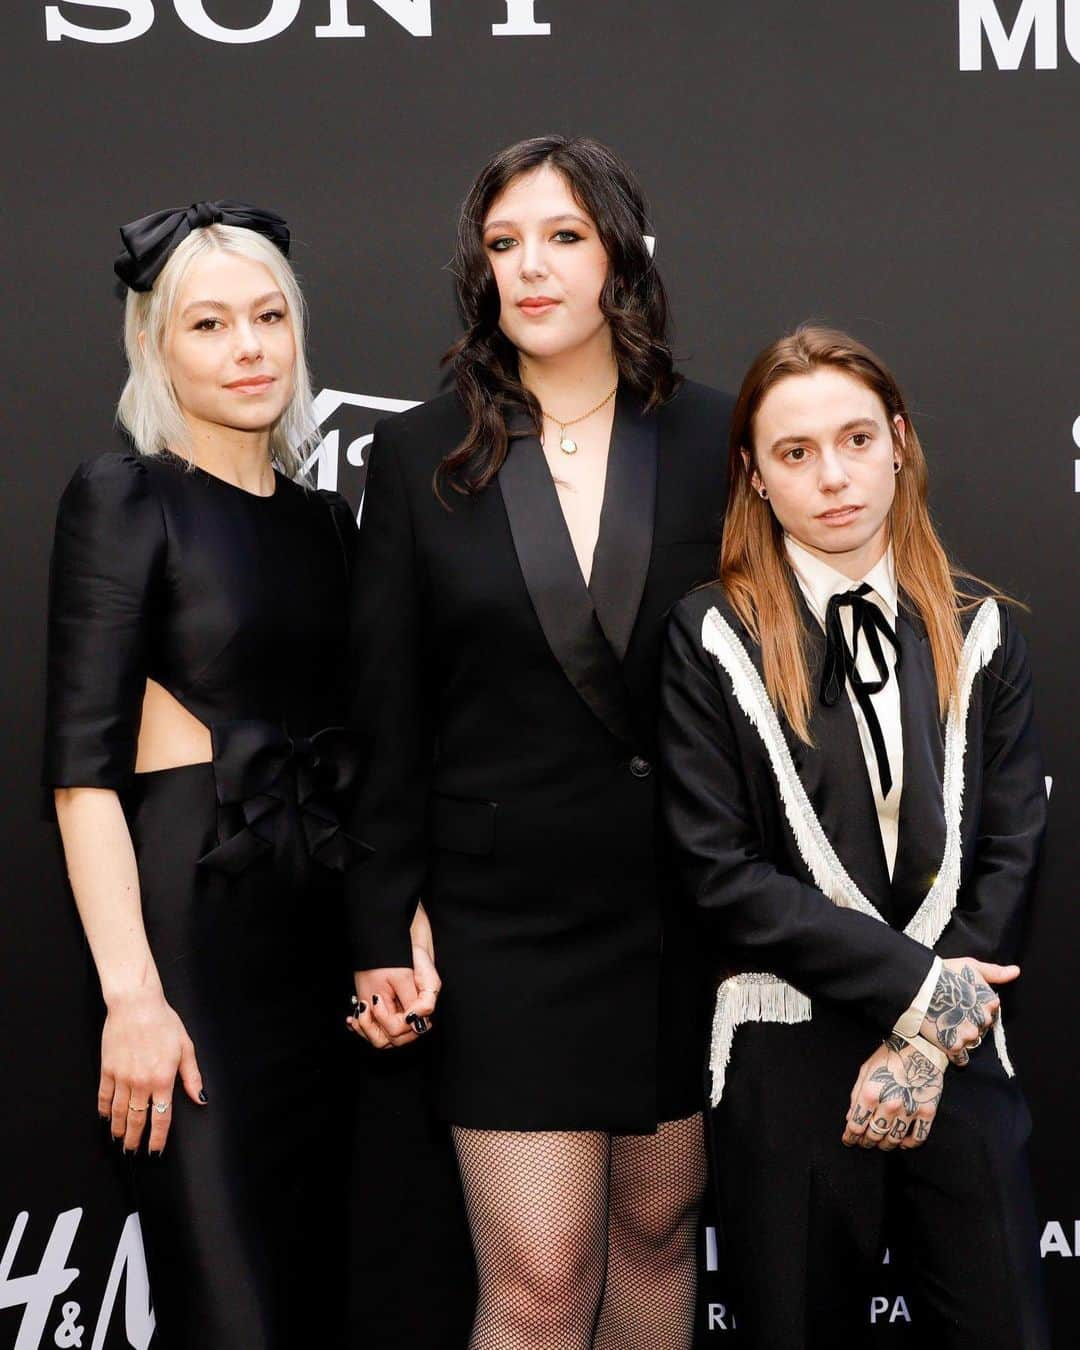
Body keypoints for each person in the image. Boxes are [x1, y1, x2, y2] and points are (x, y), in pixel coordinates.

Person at [344, 136, 733, 1349]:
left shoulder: (720, 437)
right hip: (502, 922)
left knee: (658, 1240)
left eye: (562, 236)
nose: (532, 267)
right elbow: (383, 711)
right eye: (504, 244)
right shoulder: (422, 453)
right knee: (538, 1282)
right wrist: (378, 923)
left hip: (683, 910)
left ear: (621, 251)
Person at [659, 325, 1049, 1348]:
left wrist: (925, 1042)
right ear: (754, 474)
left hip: (958, 1058)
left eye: (856, 439)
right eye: (795, 453)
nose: (833, 477)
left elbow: (1010, 852)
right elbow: (722, 874)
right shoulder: (713, 633)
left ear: (901, 443)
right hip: (787, 1063)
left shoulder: (981, 626)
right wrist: (919, 993)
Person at [43, 202, 361, 1349]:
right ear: (157, 348)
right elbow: (80, 779)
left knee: (319, 1300)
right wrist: (133, 995)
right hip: (190, 949)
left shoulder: (332, 524)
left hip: (321, 953)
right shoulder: (126, 498)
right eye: (211, 324)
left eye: (270, 317)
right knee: (232, 1315)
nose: (249, 348)